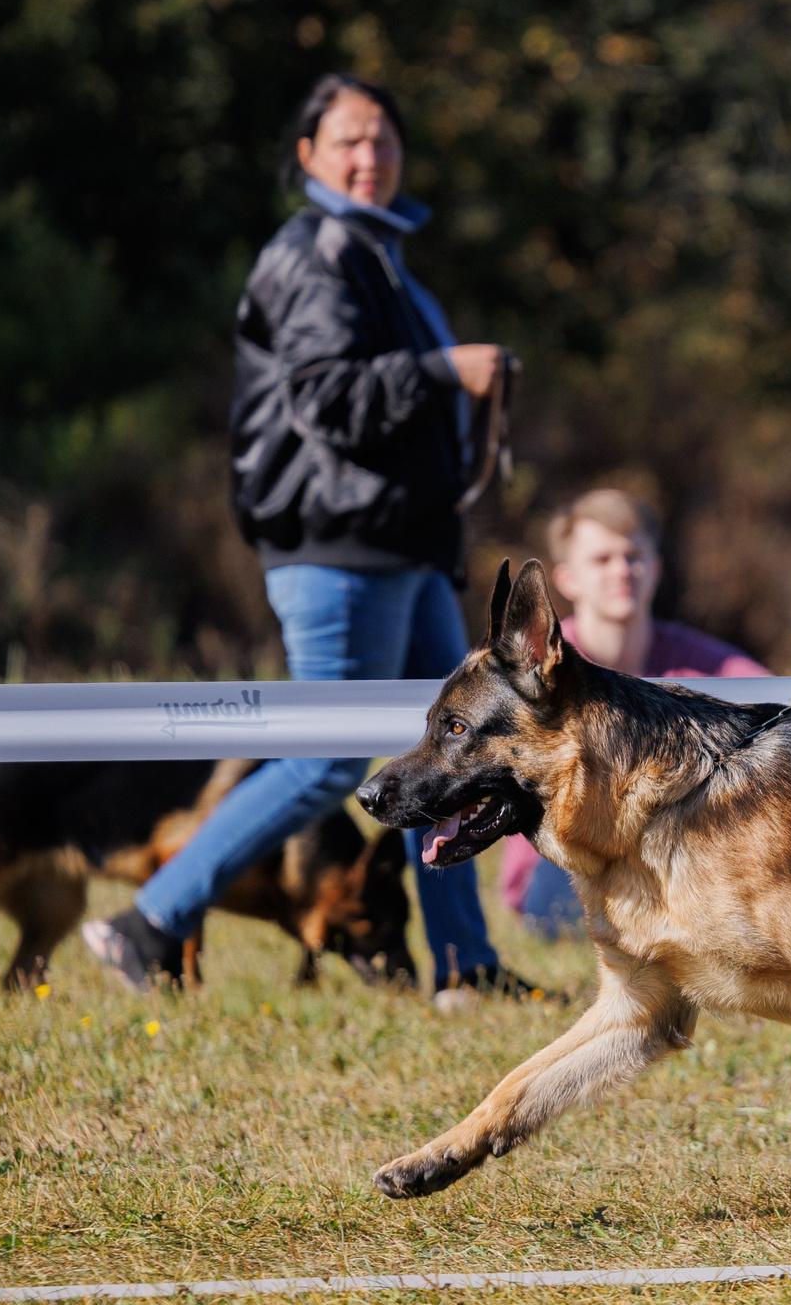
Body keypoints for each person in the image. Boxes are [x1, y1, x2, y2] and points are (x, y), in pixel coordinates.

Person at [84, 73, 538, 1008]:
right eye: (348, 141)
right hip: (338, 549)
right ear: (308, 156)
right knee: (325, 759)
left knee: (455, 749)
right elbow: (327, 396)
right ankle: (149, 922)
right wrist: (441, 370)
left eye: (384, 139)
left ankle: (466, 966)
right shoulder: (317, 251)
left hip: (406, 550)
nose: (370, 156)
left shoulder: (375, 252)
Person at [497, 488, 769, 935]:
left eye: (633, 556)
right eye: (602, 559)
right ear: (566, 580)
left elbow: (783, 707)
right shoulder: (531, 664)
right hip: (557, 875)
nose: (622, 570)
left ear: (656, 569)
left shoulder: (707, 664)